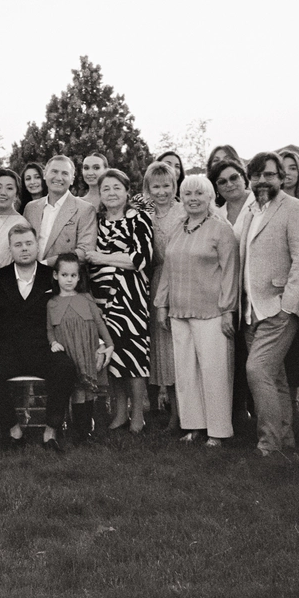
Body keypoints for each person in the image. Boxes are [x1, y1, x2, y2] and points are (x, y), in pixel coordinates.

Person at [237, 152, 299, 456]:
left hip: (278, 306)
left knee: (257, 370)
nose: (262, 181)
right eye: (256, 175)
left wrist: (288, 306)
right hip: (251, 309)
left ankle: (268, 443)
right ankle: (285, 438)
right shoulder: (251, 211)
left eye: (269, 175)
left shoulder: (296, 209)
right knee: (275, 376)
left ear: (282, 178)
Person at [153, 174, 240, 446]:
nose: (193, 199)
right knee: (186, 373)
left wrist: (228, 310)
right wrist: (162, 304)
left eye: (199, 193)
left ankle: (217, 432)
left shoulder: (221, 229)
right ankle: (193, 427)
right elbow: (168, 269)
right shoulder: (178, 228)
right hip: (179, 311)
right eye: (188, 193)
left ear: (210, 196)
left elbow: (230, 272)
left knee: (214, 373)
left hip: (211, 312)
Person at [0, 225, 77, 451]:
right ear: (10, 248)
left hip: (42, 348)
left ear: (37, 246)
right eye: (18, 244)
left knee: (65, 369)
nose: (24, 249)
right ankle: (13, 430)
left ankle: (50, 431)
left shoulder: (52, 276)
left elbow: (67, 309)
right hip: (8, 350)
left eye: (29, 243)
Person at [88, 169, 154, 434]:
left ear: (127, 191)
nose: (111, 193)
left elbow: (140, 259)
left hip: (130, 300)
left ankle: (138, 415)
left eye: (117, 187)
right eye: (106, 189)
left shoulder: (138, 219)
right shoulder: (97, 221)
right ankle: (119, 413)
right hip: (101, 300)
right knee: (113, 356)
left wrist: (102, 258)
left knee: (134, 357)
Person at [49, 253, 113, 442]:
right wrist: (53, 342)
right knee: (77, 389)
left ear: (79, 277)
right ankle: (78, 430)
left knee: (89, 390)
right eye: (64, 275)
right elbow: (49, 328)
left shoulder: (86, 298)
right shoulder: (52, 303)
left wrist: (109, 344)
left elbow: (99, 323)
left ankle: (86, 430)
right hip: (69, 351)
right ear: (56, 275)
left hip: (87, 349)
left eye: (73, 275)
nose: (69, 280)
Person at [141, 160, 185, 428]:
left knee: (181, 348)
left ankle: (186, 412)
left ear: (174, 185)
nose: (161, 192)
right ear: (148, 188)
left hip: (183, 280)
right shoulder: (144, 215)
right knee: (163, 348)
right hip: (157, 282)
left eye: (166, 186)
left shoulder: (184, 210)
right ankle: (170, 411)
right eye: (155, 187)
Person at [23, 155, 97, 267]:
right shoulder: (31, 208)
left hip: (63, 274)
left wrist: (45, 264)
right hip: (29, 273)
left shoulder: (85, 209)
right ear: (45, 174)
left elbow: (84, 251)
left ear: (72, 180)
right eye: (54, 171)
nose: (58, 178)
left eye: (65, 173)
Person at [209, 158, 253, 231]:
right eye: (222, 182)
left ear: (243, 178)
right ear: (216, 188)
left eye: (234, 178)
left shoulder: (260, 201)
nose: (229, 184)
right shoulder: (218, 216)